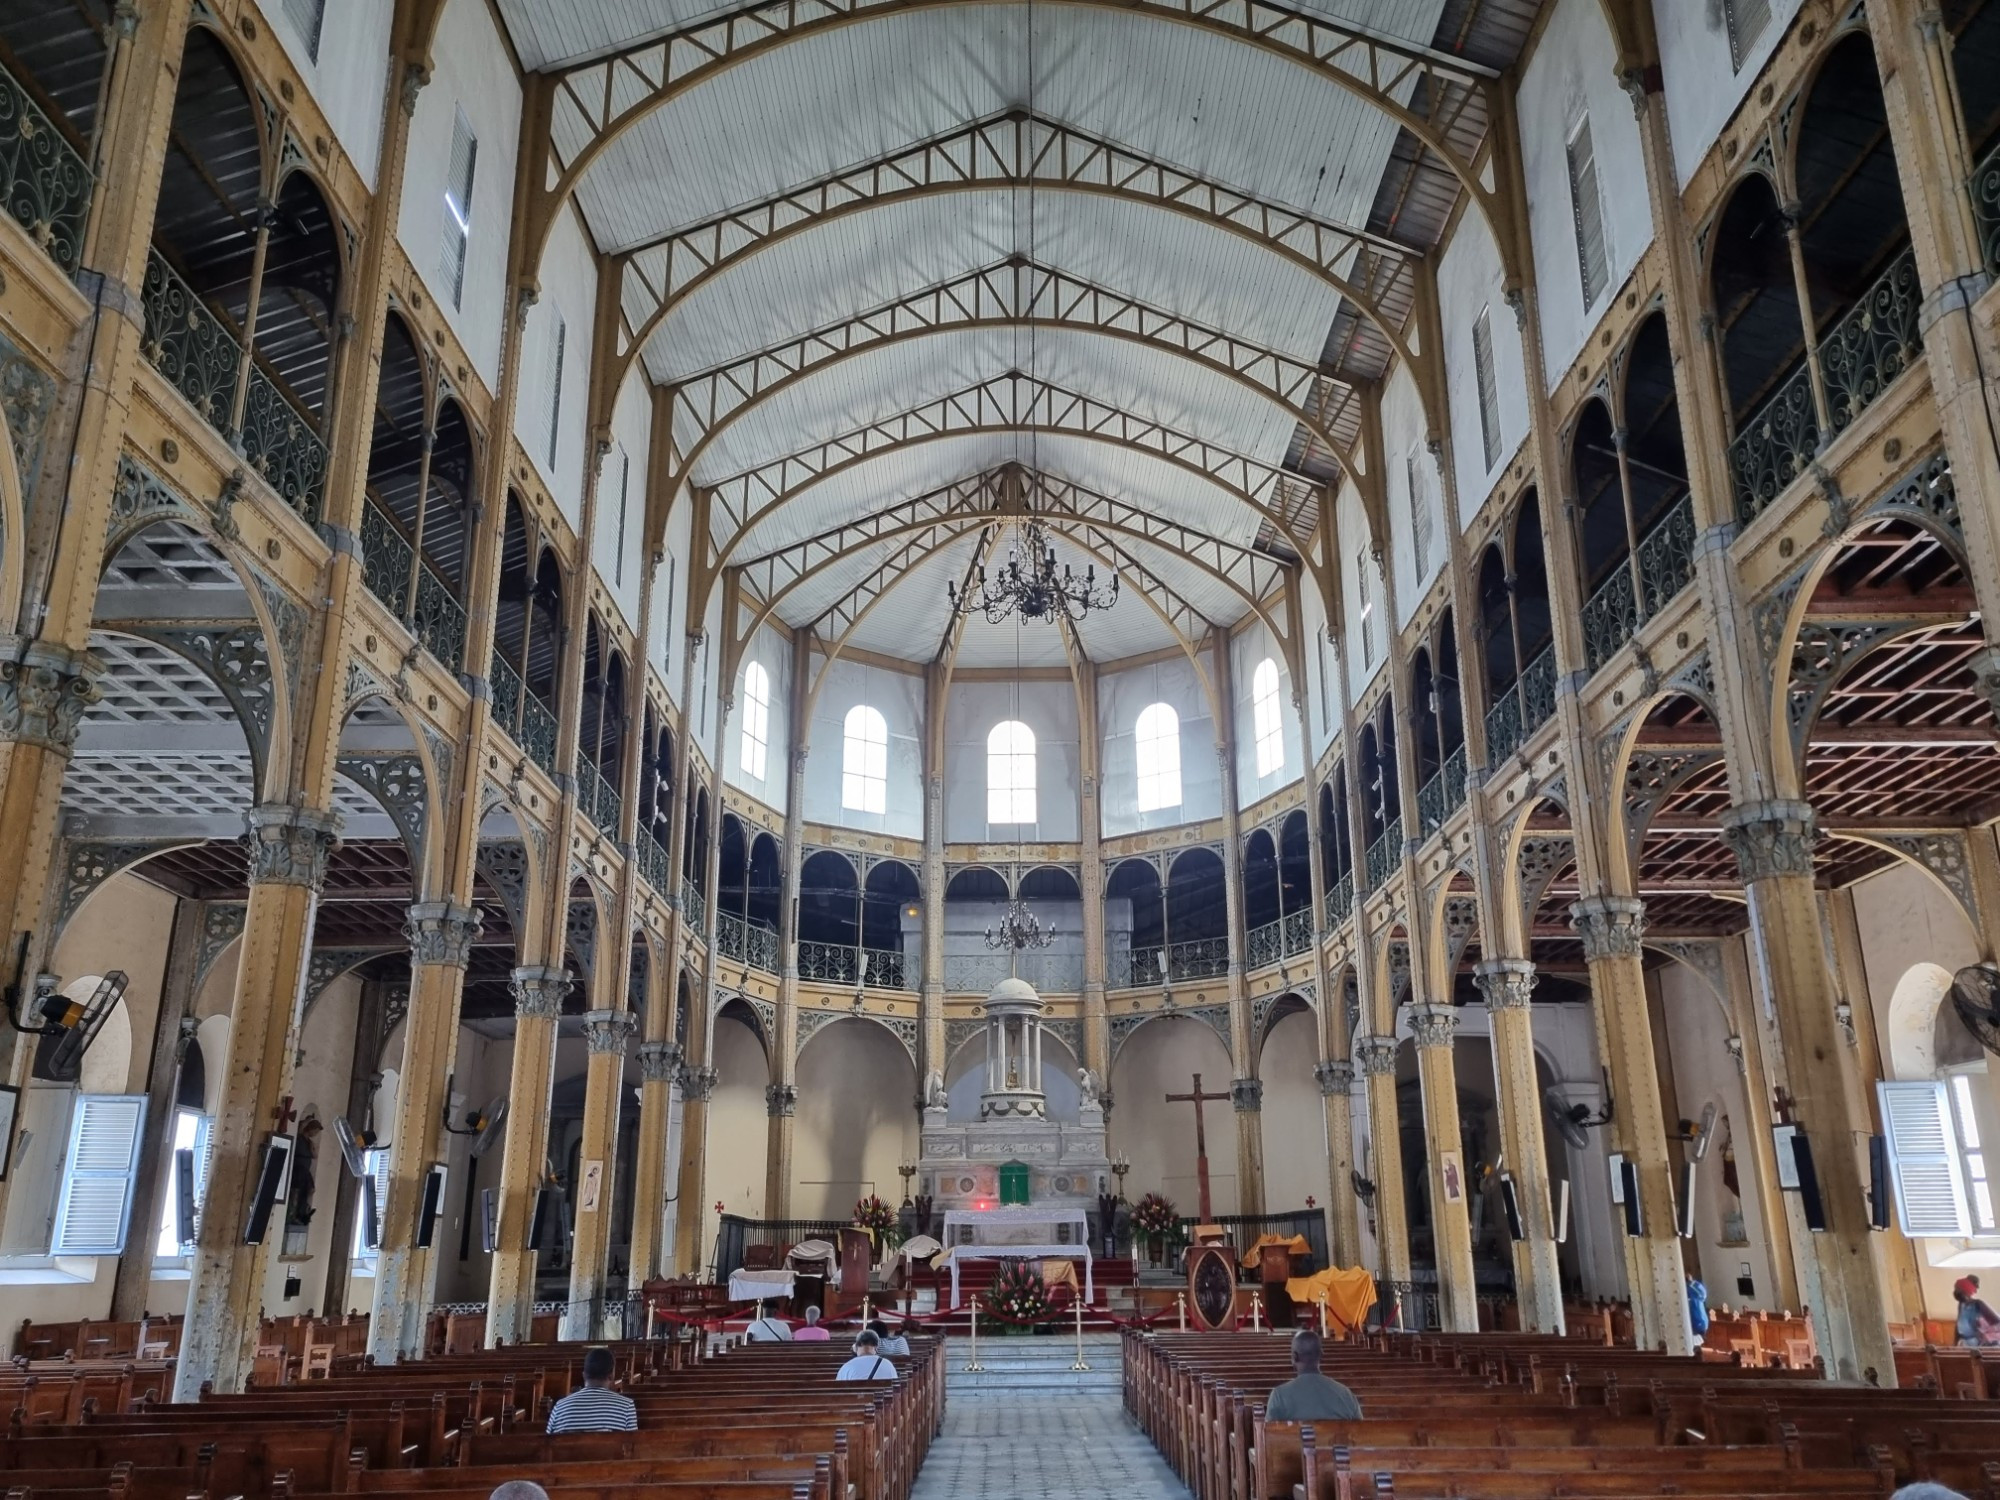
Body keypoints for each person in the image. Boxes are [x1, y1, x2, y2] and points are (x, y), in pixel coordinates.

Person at [1262, 1330, 1363, 1421]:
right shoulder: (1346, 1394)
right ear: (1321, 1355)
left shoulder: (1279, 1396)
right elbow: (1360, 1433)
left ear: (1294, 1357)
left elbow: (1268, 1437)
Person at [543, 1347, 638, 1433]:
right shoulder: (626, 1406)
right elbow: (632, 1447)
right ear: (611, 1376)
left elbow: (547, 1445)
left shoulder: (560, 1406)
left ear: (584, 1375)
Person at [1953, 1275, 2000, 1347]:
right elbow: (1958, 1327)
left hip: (1981, 1345)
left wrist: (1985, 1335)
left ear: (1967, 1292)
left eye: (1960, 1291)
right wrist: (1954, 1345)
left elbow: (1997, 1321)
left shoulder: (1978, 1304)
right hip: (1966, 1344)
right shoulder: (1961, 1305)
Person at [1686, 1271, 1710, 1343]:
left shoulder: (1695, 1285)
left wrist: (1691, 1284)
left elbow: (1703, 1295)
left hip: (1697, 1308)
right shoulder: (1686, 1286)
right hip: (1690, 1310)